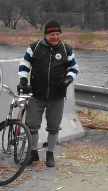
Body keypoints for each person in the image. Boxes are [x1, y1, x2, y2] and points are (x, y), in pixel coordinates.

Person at [17, 19, 79, 167]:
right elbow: (24, 65)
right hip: (36, 95)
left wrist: (68, 80)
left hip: (57, 96)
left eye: (58, 34)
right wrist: (24, 81)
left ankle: (50, 155)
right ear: (46, 35)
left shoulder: (66, 49)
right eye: (52, 34)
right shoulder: (34, 47)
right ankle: (33, 154)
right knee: (31, 125)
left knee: (53, 127)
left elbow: (74, 68)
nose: (55, 37)